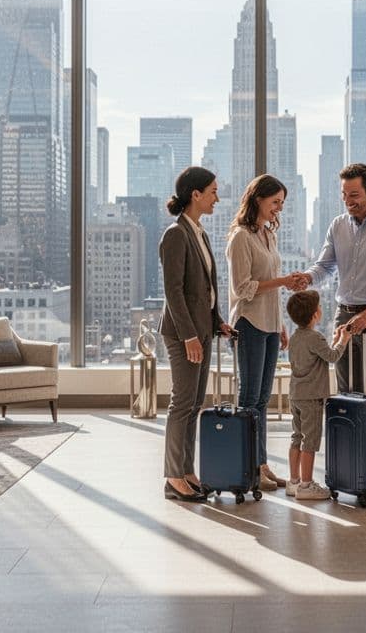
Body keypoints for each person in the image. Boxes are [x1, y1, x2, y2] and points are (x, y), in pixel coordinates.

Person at [289, 163, 366, 399]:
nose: (347, 201)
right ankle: (350, 436)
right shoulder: (338, 225)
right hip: (344, 316)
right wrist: (308, 277)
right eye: (344, 195)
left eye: (354, 195)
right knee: (345, 389)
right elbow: (325, 265)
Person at [225, 174, 308, 491]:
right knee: (248, 398)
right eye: (275, 202)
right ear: (258, 199)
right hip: (249, 323)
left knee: (262, 399)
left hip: (270, 324)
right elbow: (242, 288)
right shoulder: (240, 238)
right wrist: (285, 282)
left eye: (282, 204)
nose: (278, 209)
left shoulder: (268, 236)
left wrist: (281, 325)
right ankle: (247, 465)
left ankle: (260, 464)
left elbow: (269, 287)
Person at [159, 166, 234, 502]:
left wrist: (217, 320)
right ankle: (173, 476)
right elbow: (173, 291)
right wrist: (189, 335)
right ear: (196, 195)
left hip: (203, 328)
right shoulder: (175, 235)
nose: (217, 198)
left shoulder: (199, 233)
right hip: (183, 332)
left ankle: (187, 471)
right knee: (182, 403)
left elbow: (205, 288)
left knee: (195, 405)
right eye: (213, 191)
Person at [283, 289, 347, 501]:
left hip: (295, 395)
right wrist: (343, 339)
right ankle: (307, 485)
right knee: (309, 441)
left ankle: (293, 482)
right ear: (315, 315)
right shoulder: (316, 337)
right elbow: (332, 355)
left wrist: (335, 339)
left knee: (296, 437)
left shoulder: (295, 338)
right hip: (312, 398)